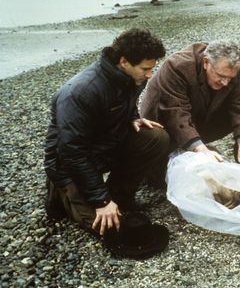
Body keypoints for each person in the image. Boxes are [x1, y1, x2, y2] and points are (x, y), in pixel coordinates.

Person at [44, 28, 169, 237]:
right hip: (69, 163)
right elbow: (72, 153)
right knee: (111, 229)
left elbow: (124, 102)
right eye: (145, 69)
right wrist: (101, 201)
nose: (150, 75)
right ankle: (60, 193)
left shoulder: (132, 77)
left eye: (151, 68)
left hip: (105, 146)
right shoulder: (80, 92)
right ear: (123, 61)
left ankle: (119, 194)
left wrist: (133, 116)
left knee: (156, 137)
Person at [140, 40, 240, 167]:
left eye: (229, 78)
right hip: (165, 128)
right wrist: (202, 150)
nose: (225, 83)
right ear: (206, 62)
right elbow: (176, 113)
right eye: (221, 76)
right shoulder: (177, 67)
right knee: (168, 178)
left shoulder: (231, 68)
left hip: (199, 117)